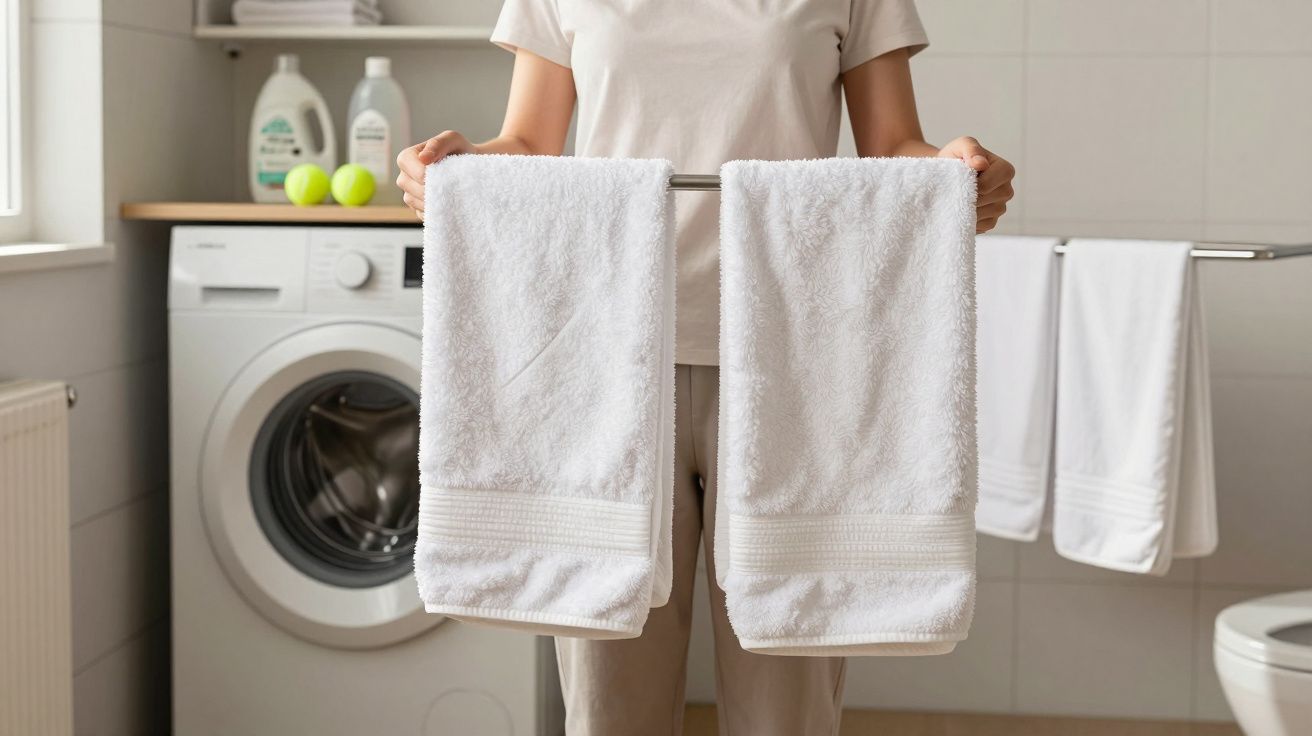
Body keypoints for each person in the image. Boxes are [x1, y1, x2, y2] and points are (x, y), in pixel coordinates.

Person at [397, 1, 1015, 733]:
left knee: (787, 708)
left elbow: (893, 148)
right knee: (608, 710)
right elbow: (529, 140)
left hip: (794, 367)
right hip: (608, 368)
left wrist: (953, 175)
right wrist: (459, 175)